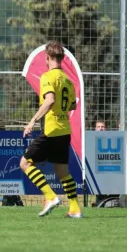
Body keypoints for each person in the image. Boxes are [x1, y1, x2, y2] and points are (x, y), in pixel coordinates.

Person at [19, 41, 82, 218]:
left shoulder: (47, 77)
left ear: (47, 58)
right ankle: (75, 209)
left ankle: (50, 196)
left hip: (51, 129)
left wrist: (32, 120)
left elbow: (50, 100)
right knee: (62, 171)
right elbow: (72, 105)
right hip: (64, 130)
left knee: (24, 163)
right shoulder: (68, 81)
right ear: (61, 59)